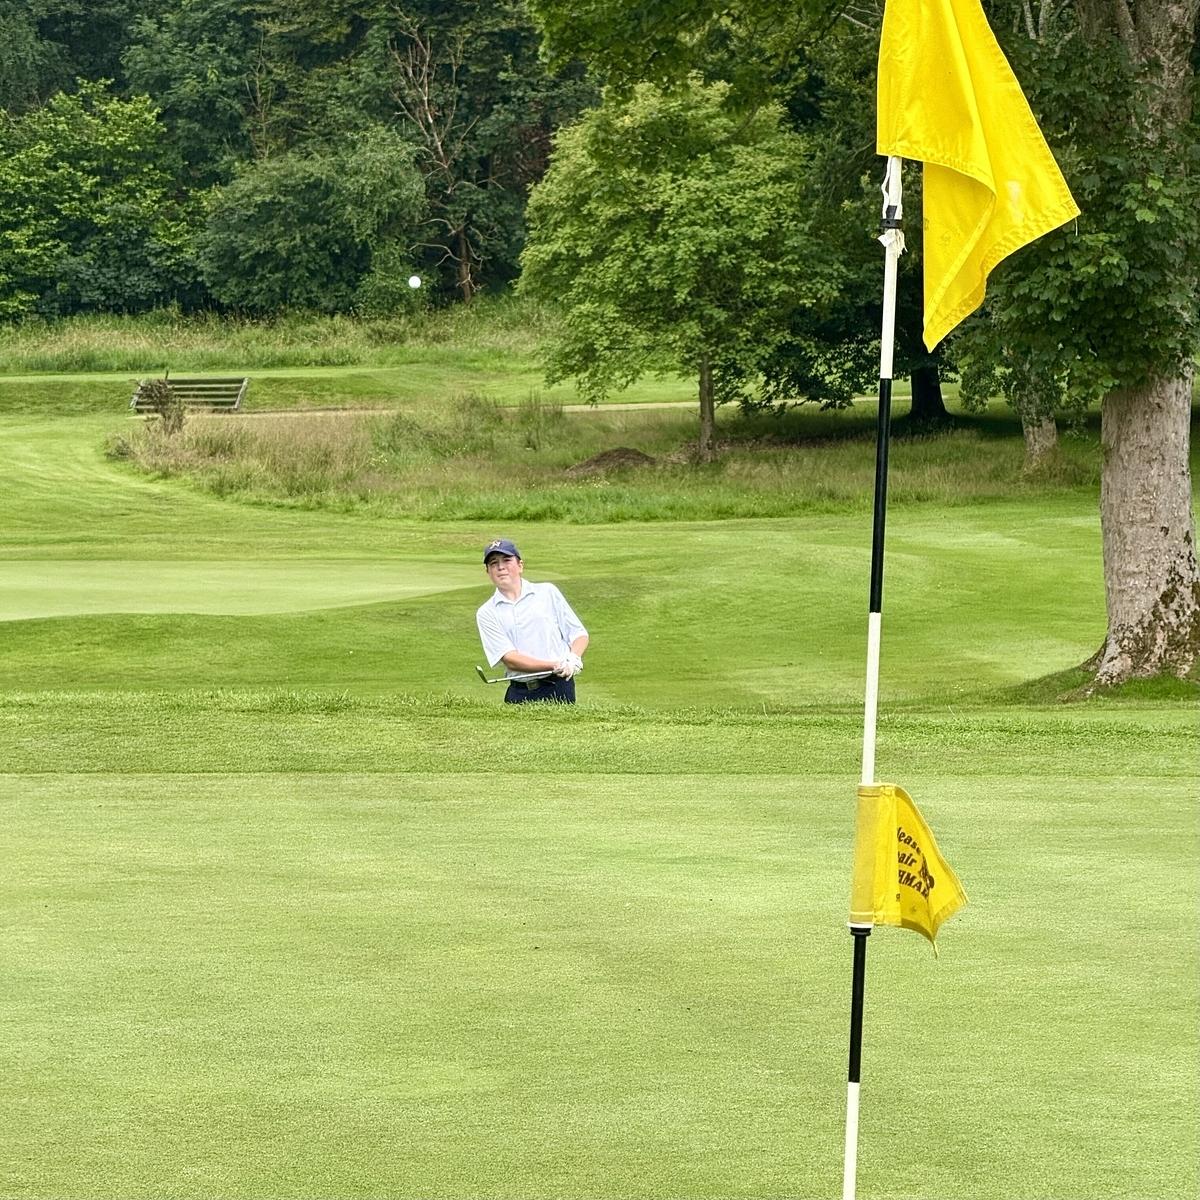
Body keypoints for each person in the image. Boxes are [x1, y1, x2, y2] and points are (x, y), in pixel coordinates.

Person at [475, 538, 588, 704]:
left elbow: (578, 634)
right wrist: (555, 664)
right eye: (493, 563)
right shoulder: (486, 612)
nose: (501, 567)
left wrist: (573, 658)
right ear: (488, 571)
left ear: (520, 565)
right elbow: (511, 659)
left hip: (559, 687)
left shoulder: (547, 592)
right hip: (520, 693)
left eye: (507, 560)